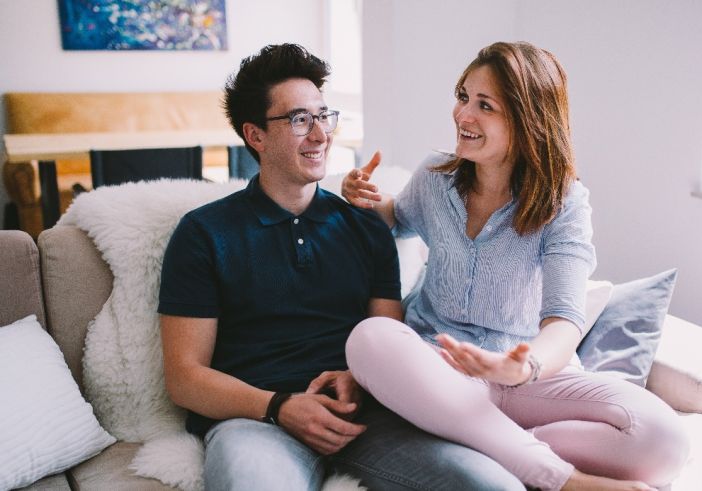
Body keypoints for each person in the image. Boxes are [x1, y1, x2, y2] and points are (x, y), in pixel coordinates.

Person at [158, 43, 525, 491]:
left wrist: (358, 380)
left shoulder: (366, 227)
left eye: (323, 116)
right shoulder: (203, 233)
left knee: (492, 485)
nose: (319, 135)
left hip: (365, 417)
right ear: (255, 135)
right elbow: (185, 378)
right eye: (298, 120)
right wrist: (280, 406)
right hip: (256, 421)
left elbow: (388, 341)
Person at [342, 41, 690, 491]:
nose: (463, 114)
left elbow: (565, 320)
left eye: (484, 105)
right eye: (463, 96)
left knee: (664, 442)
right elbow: (399, 219)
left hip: (528, 378)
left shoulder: (564, 203)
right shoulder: (434, 178)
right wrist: (366, 199)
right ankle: (561, 479)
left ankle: (491, 444)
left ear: (529, 120)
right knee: (370, 338)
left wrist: (523, 369)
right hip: (439, 369)